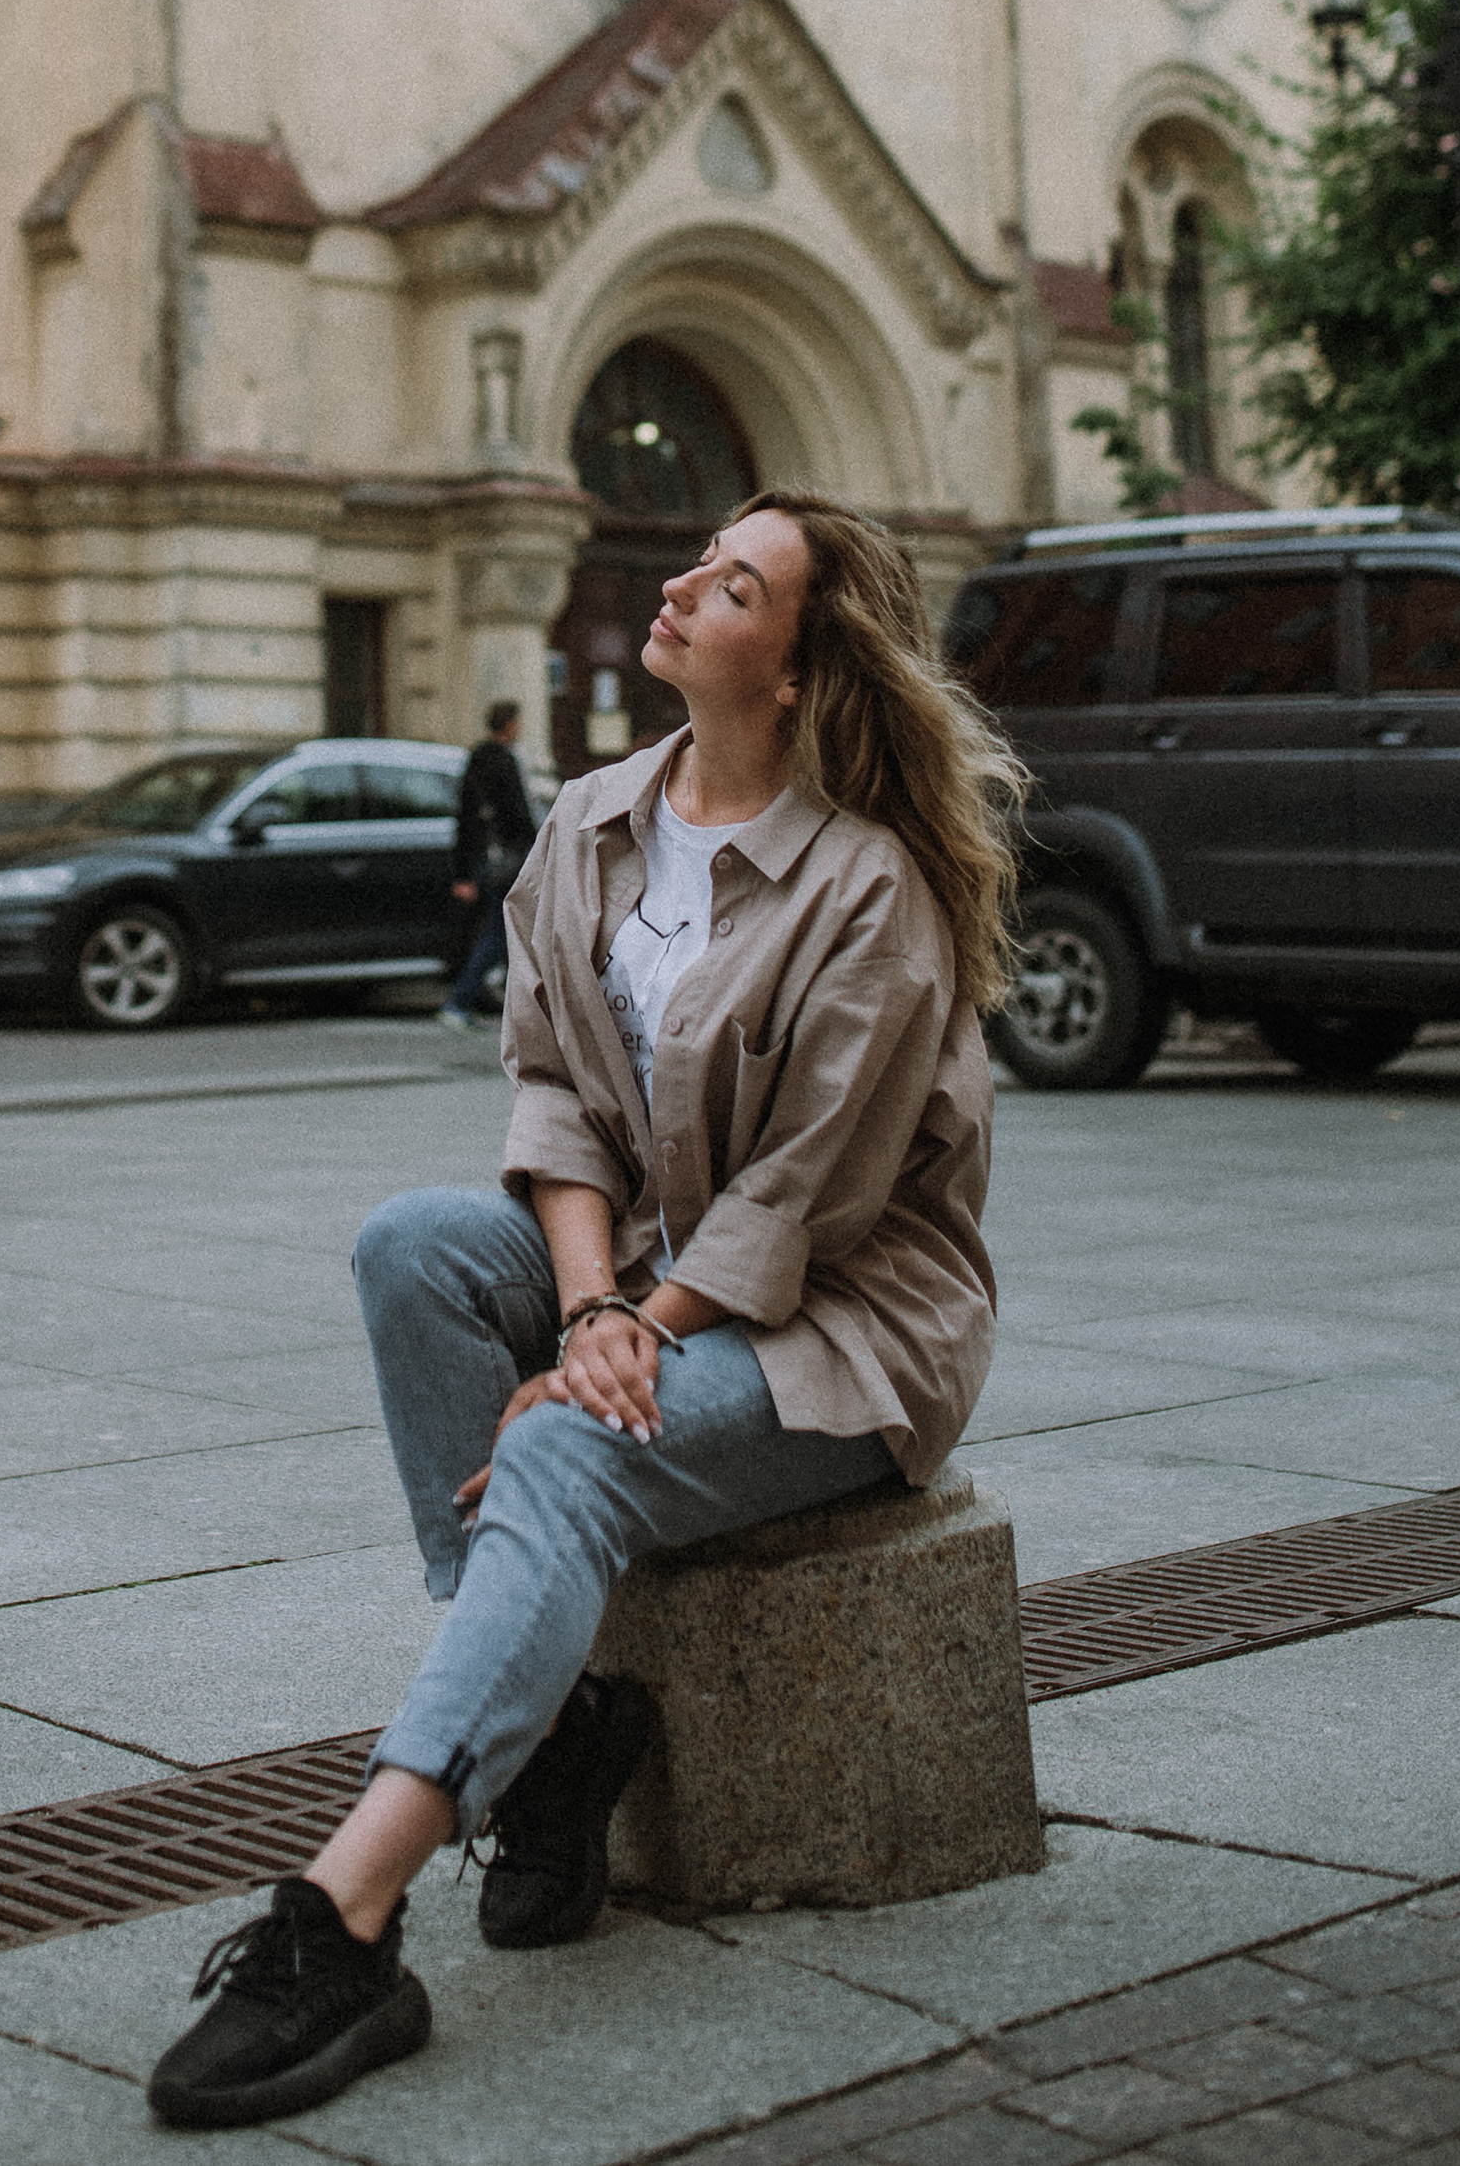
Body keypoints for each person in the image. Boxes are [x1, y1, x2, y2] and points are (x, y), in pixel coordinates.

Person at [147, 489, 1025, 2133]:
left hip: (839, 1324)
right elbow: (553, 1092)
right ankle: (556, 1743)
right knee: (411, 1247)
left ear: (798, 664)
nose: (684, 587)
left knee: (564, 1462)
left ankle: (342, 1920)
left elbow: (806, 1204)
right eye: (700, 558)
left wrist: (626, 1338)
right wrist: (592, 1310)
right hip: (642, 1263)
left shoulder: (871, 889)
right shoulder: (599, 816)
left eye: (737, 583)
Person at [441, 698, 536, 1026]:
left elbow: (465, 819)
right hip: (506, 862)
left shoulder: (476, 759)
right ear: (510, 724)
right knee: (500, 932)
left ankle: (523, 1011)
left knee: (509, 933)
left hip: (482, 860)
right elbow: (519, 815)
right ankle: (458, 1002)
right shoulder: (507, 761)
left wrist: (462, 873)